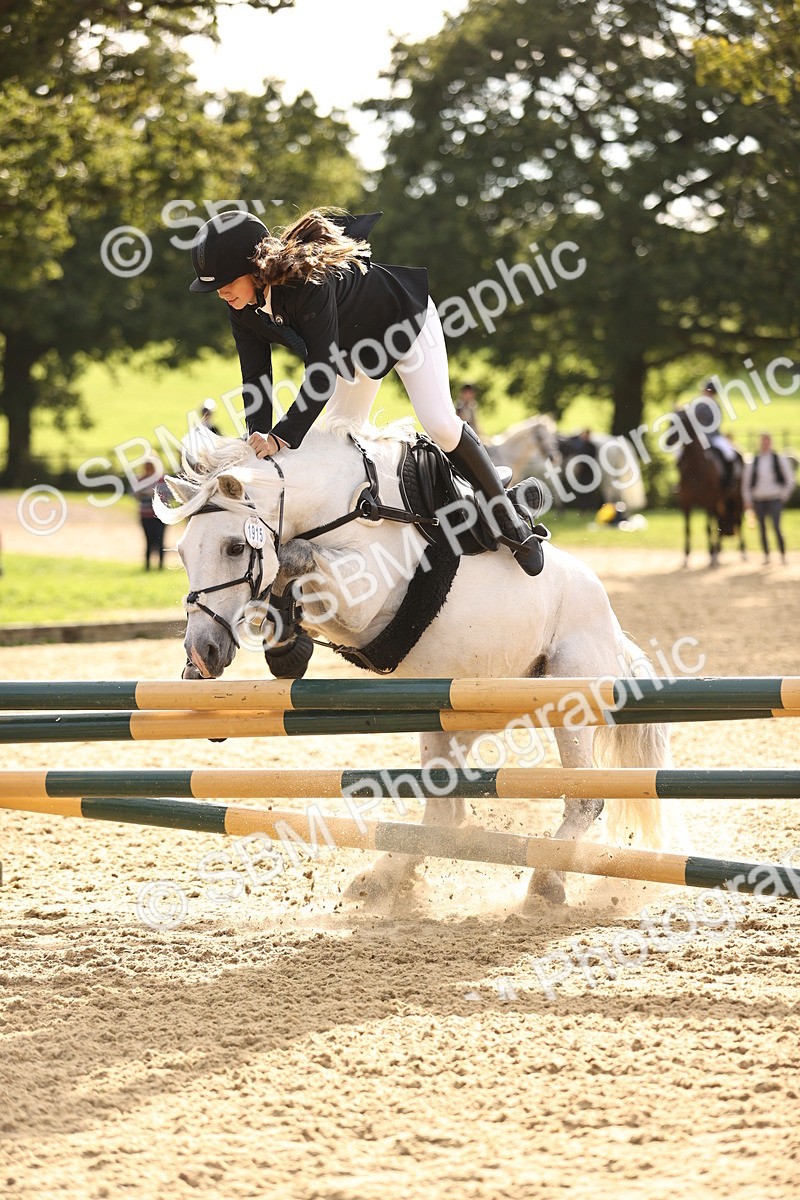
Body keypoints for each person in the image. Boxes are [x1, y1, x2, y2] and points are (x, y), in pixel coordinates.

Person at [188, 208, 542, 577]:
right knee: (339, 445)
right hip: (356, 353)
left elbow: (321, 373)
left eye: (227, 282)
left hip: (405, 323)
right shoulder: (242, 309)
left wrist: (282, 437)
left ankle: (506, 514)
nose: (222, 293)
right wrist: (254, 440)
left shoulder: (308, 283)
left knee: (439, 424)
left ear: (257, 267)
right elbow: (256, 377)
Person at [743, 433, 795, 565]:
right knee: (762, 529)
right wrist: (748, 500)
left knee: (776, 527)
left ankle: (782, 554)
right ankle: (766, 555)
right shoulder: (753, 461)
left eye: (767, 441)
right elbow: (746, 483)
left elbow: (790, 480)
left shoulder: (778, 459)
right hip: (759, 499)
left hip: (774, 498)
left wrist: (783, 496)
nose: (765, 444)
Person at [688, 381, 740, 487]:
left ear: (712, 393)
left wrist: (706, 436)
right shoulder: (697, 404)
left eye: (707, 391)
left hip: (714, 437)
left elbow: (714, 425)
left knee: (729, 453)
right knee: (680, 453)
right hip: (698, 437)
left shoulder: (716, 406)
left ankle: (728, 480)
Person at [136, 456, 166, 570]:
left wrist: (152, 495)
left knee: (160, 540)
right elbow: (134, 494)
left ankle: (160, 565)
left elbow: (168, 495)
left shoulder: (162, 480)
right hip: (145, 514)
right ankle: (147, 565)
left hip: (159, 515)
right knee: (148, 541)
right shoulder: (140, 480)